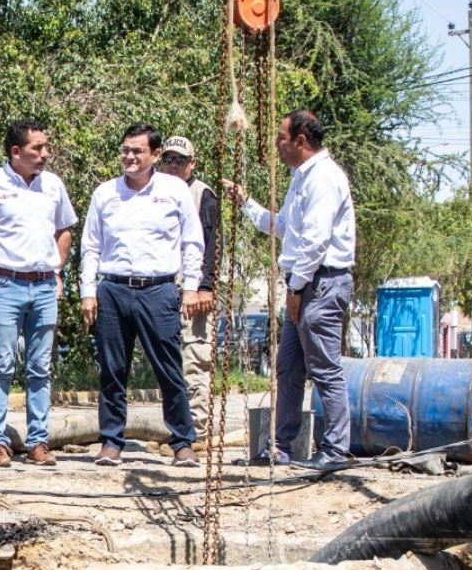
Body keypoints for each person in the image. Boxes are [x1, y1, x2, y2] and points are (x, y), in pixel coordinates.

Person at [224, 110, 357, 466]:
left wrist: (297, 289)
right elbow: (285, 227)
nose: (277, 145)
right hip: (303, 282)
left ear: (301, 141)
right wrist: (247, 205)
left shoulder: (324, 178)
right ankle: (281, 446)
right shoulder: (301, 179)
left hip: (321, 282)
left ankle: (334, 450)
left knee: (325, 369)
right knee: (288, 367)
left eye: (281, 138)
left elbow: (315, 242)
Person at [78, 124, 202, 467]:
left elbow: (193, 241)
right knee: (113, 370)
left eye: (138, 151)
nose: (130, 157)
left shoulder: (174, 190)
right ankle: (111, 441)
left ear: (155, 155)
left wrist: (191, 286)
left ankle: (182, 442)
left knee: (169, 369)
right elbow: (90, 245)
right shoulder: (105, 193)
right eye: (125, 150)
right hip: (114, 289)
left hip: (159, 290)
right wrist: (88, 291)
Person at [0, 119, 77, 468]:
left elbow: (65, 229)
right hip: (4, 284)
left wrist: (56, 269)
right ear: (16, 152)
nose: (45, 154)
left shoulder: (53, 185)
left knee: (40, 367)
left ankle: (38, 441)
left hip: (45, 285)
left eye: (46, 147)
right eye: (38, 148)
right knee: (1, 363)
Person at [159, 135, 222, 446]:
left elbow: (211, 244)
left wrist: (205, 286)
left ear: (191, 164)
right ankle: (176, 426)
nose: (173, 165)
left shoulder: (202, 195)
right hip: (162, 288)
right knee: (169, 360)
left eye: (179, 160)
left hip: (193, 289)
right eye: (168, 159)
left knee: (195, 358)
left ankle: (196, 428)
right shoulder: (155, 191)